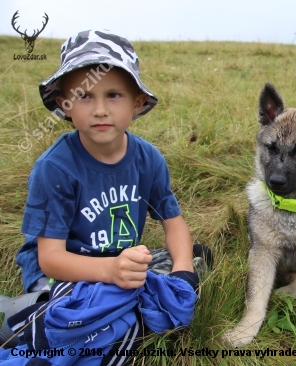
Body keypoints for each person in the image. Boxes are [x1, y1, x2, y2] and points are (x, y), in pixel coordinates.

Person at [16, 29, 212, 295]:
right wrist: (109, 271)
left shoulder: (149, 159)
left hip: (117, 262)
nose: (100, 110)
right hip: (59, 273)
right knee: (79, 310)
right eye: (83, 96)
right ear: (65, 105)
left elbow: (172, 221)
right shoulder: (54, 168)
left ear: (137, 103)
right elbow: (50, 259)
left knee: (191, 262)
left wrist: (183, 269)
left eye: (114, 95)